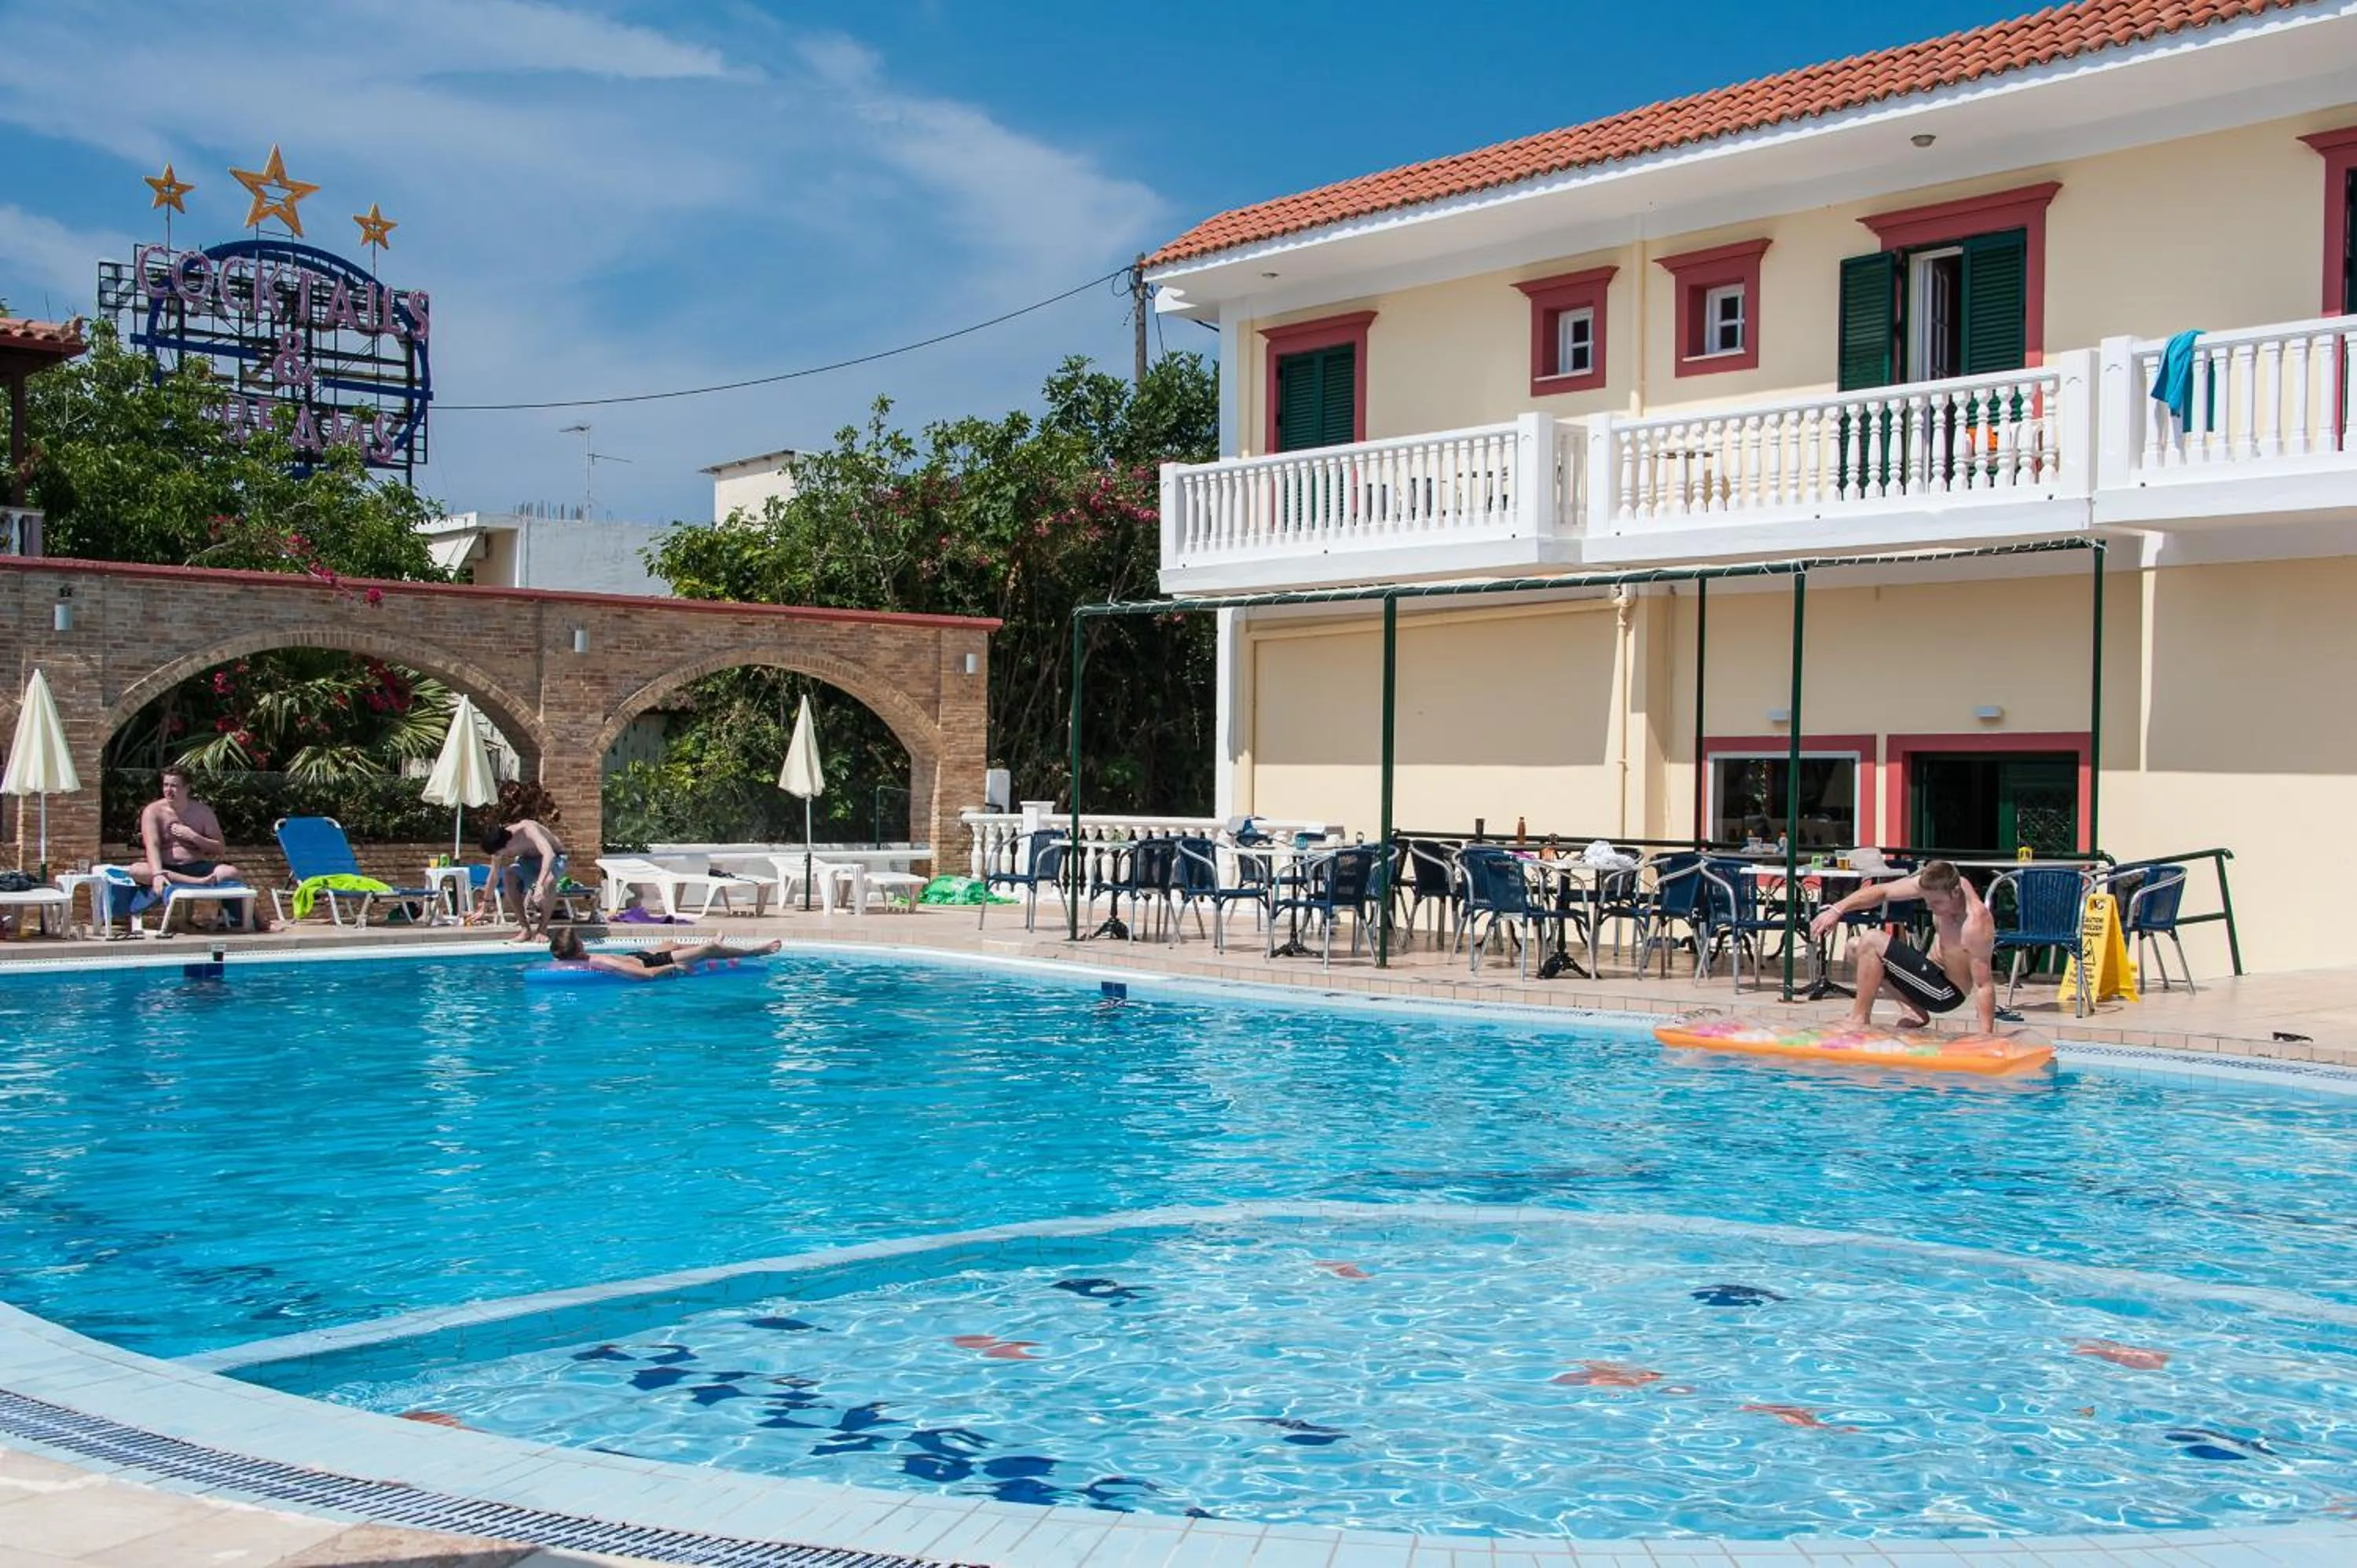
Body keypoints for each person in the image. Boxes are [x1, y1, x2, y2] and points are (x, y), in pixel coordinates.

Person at [1808, 859, 1996, 1035]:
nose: (1931, 908)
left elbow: (1983, 985)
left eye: (1937, 902)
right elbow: (1883, 892)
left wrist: (1985, 1037)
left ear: (1955, 892)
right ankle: (1912, 1011)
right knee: (1854, 947)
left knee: (1872, 940)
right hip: (1927, 975)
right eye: (1927, 901)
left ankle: (1858, 1019)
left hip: (1945, 993)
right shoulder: (1943, 883)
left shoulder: (1975, 924)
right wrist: (1837, 909)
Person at [126, 765, 266, 932]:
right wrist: (157, 873)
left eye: (174, 786)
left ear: (187, 788)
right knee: (137, 870)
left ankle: (255, 919)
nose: (168, 790)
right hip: (165, 868)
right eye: (165, 785)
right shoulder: (153, 811)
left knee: (230, 873)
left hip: (196, 867)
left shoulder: (202, 812)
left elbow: (220, 849)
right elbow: (153, 845)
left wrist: (193, 836)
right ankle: (195, 883)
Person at [547, 929, 780, 979]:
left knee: (671, 943)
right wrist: (672, 967)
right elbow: (643, 975)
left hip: (637, 954)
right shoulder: (604, 961)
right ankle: (756, 950)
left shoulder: (573, 959)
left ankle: (713, 946)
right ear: (578, 948)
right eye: (580, 940)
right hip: (650, 963)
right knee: (707, 951)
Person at [479, 818, 566, 943]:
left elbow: (549, 854)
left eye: (499, 853)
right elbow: (494, 875)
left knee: (548, 880)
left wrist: (539, 885)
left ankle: (542, 929)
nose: (498, 856)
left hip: (556, 857)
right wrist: (485, 903)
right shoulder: (498, 844)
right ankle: (525, 928)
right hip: (528, 861)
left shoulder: (528, 829)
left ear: (507, 844)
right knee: (508, 875)